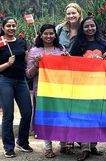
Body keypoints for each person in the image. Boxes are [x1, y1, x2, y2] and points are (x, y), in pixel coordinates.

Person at [69, 17, 106, 161]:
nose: (90, 29)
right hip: (83, 85)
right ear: (82, 28)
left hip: (100, 85)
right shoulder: (77, 44)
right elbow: (70, 62)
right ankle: (85, 148)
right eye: (86, 27)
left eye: (92, 26)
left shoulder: (104, 43)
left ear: (96, 27)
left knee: (97, 116)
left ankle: (93, 145)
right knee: (85, 116)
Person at [26, 24, 69, 158]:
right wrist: (37, 64)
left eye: (51, 33)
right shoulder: (34, 51)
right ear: (40, 35)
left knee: (62, 116)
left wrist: (67, 58)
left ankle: (64, 145)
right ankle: (48, 147)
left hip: (60, 90)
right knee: (46, 118)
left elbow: (69, 70)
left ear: (55, 35)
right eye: (46, 33)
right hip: (42, 91)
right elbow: (28, 74)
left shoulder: (61, 49)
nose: (49, 36)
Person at [0, 17, 33, 158]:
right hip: (5, 80)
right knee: (8, 115)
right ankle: (8, 147)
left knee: (27, 112)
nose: (11, 28)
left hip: (21, 81)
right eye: (8, 26)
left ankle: (22, 141)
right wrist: (7, 64)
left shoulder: (21, 42)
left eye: (14, 25)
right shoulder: (0, 43)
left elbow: (27, 59)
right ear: (3, 28)